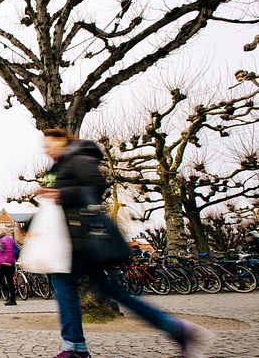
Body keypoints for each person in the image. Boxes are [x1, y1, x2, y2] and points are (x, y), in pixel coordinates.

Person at [37, 129, 212, 358]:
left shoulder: (77, 158)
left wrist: (60, 194)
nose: (46, 149)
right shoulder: (62, 165)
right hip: (74, 240)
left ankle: (75, 348)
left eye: (48, 144)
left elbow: (95, 186)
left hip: (82, 240)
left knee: (66, 288)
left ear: (62, 141)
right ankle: (178, 330)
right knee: (113, 291)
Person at [0, 226, 17, 306]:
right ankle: (11, 296)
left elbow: (1, 248)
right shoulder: (8, 238)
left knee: (2, 280)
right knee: (7, 281)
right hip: (8, 262)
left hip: (6, 263)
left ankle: (12, 298)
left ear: (1, 232)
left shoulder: (3, 239)